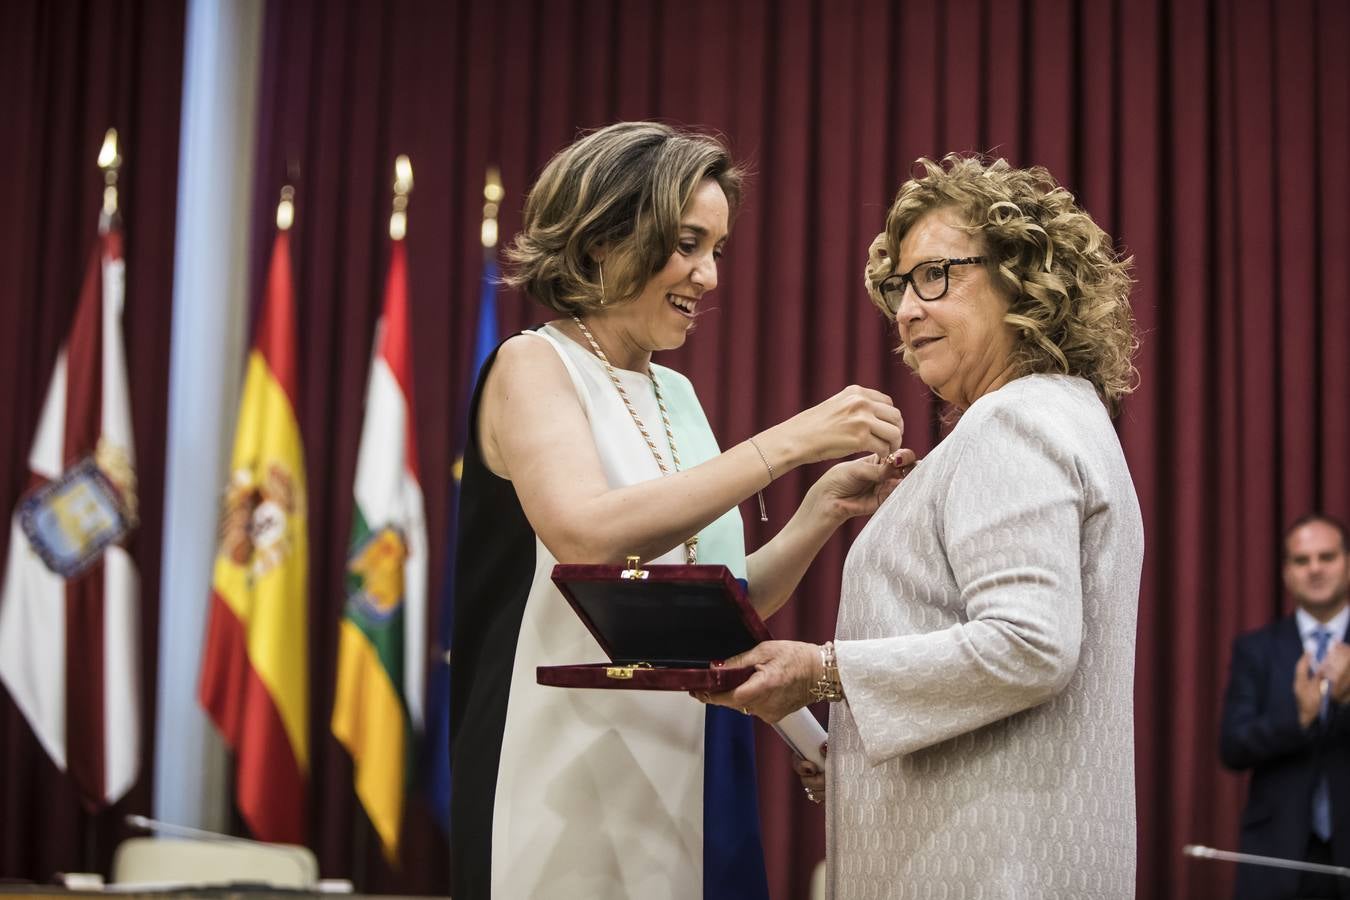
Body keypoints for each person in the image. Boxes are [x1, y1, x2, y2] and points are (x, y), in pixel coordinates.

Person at [448, 121, 909, 900]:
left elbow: (714, 601)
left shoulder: (678, 393)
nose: (710, 277)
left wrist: (820, 511)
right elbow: (583, 532)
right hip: (556, 769)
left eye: (719, 251)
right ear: (600, 242)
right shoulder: (534, 363)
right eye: (687, 243)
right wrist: (790, 442)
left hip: (690, 763)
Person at [704, 154, 1144, 898]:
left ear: (1021, 277)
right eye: (899, 286)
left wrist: (824, 672)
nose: (907, 310)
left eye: (936, 275)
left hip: (990, 873)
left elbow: (1031, 647)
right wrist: (844, 748)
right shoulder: (1058, 412)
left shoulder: (1013, 421)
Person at [1220, 514, 1350, 900]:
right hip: (1280, 858)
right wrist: (1299, 718)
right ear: (1286, 573)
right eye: (1301, 560)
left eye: (1326, 557)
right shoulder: (1256, 649)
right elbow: (1232, 747)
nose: (1315, 569)